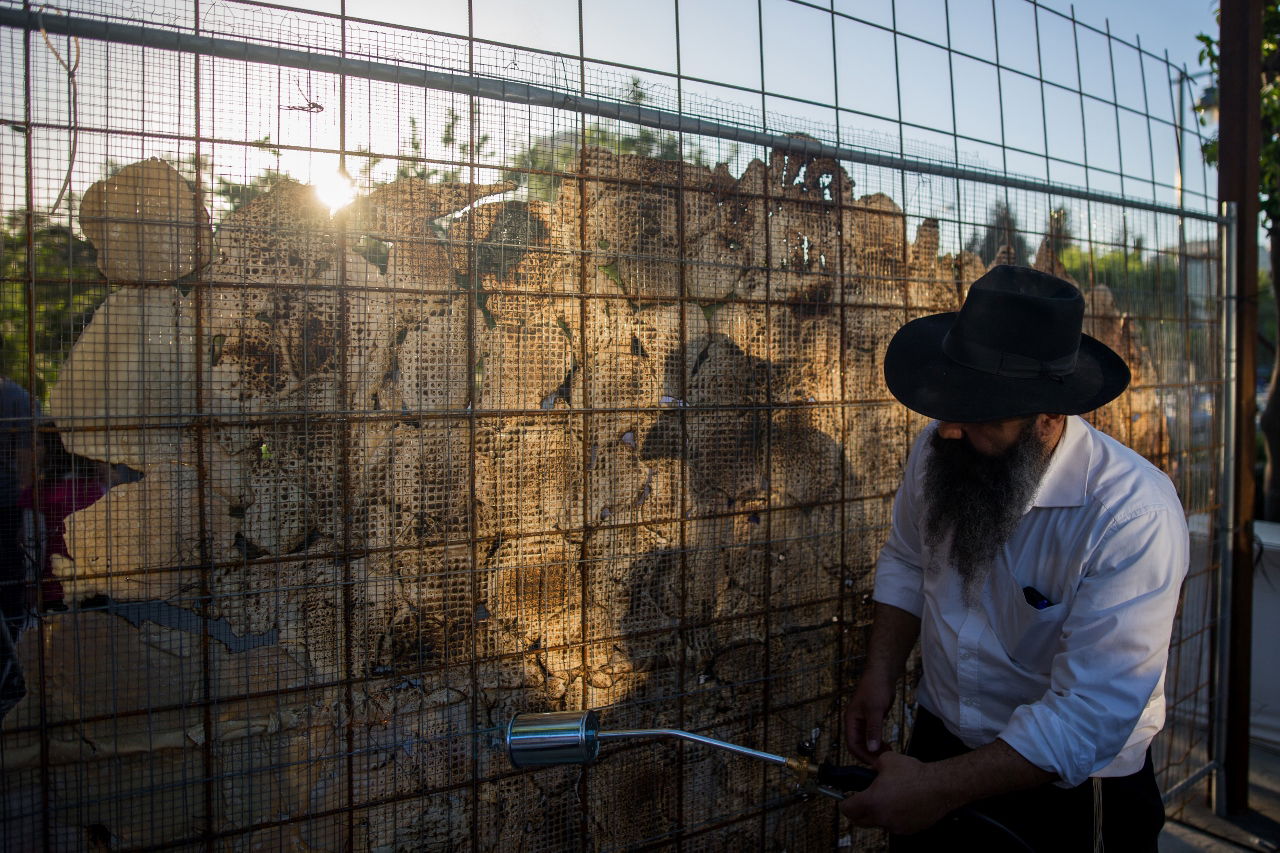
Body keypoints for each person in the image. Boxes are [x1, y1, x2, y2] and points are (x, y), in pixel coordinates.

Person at [839, 265, 1189, 852]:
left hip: (1068, 788)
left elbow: (1087, 716)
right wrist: (879, 675)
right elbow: (905, 558)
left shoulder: (1133, 517)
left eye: (980, 414)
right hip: (939, 743)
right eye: (951, 403)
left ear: (1048, 416)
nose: (948, 429)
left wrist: (937, 789)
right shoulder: (940, 449)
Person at [0, 374, 39, 717]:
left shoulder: (15, 396)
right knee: (10, 583)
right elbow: (27, 455)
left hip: (6, 503)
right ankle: (11, 666)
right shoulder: (17, 396)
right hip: (6, 505)